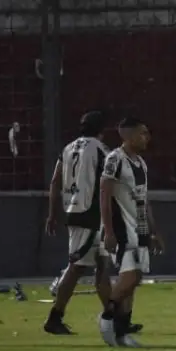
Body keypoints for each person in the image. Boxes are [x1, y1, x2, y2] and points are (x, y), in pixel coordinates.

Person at [43, 111, 112, 336]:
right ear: (101, 130)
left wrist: (52, 214)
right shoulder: (101, 150)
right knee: (78, 266)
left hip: (73, 210)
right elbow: (107, 183)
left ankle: (114, 316)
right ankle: (55, 316)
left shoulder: (68, 149)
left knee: (102, 264)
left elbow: (55, 182)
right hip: (91, 214)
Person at [99, 117, 164, 348]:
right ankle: (107, 316)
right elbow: (104, 195)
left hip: (140, 229)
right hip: (122, 228)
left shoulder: (141, 163)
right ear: (127, 136)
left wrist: (154, 231)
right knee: (131, 277)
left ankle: (122, 333)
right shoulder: (115, 159)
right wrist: (108, 231)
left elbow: (144, 199)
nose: (147, 137)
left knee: (133, 283)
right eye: (142, 133)